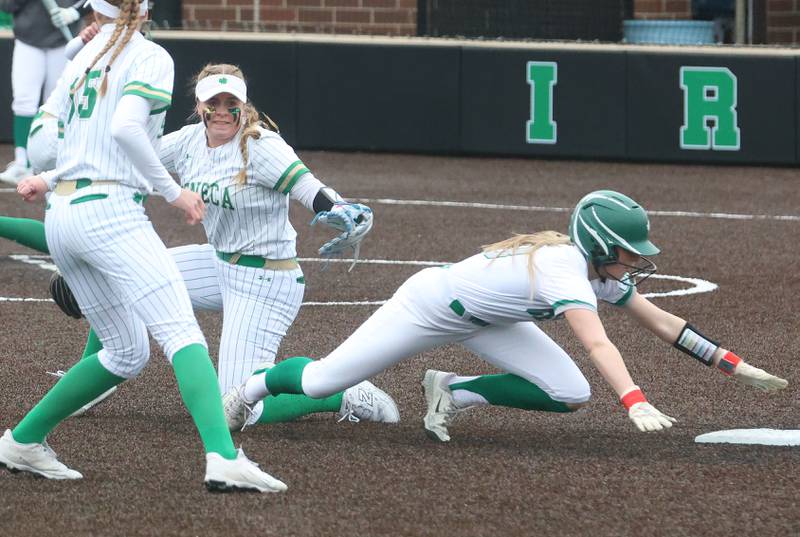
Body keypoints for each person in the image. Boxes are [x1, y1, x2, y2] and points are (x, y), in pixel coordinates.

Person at [0, 61, 399, 427]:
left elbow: (308, 187)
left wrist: (339, 209)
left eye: (231, 102)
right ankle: (98, 375)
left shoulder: (260, 145)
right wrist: (48, 180)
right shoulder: (190, 140)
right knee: (129, 278)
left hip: (265, 280)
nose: (222, 110)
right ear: (199, 104)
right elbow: (117, 160)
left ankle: (339, 392)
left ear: (243, 105)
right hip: (216, 263)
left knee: (240, 409)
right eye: (214, 102)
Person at [221, 190, 789, 438]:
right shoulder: (570, 267)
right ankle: (249, 389)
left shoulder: (598, 272)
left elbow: (664, 324)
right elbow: (597, 345)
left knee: (570, 393)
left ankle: (452, 391)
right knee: (323, 379)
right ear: (600, 244)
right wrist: (635, 401)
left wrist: (735, 367)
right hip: (430, 306)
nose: (638, 261)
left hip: (486, 319)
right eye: (630, 251)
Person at [0, 0, 286, 493]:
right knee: (182, 333)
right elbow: (126, 128)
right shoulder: (150, 55)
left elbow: (44, 145)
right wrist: (173, 193)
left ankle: (22, 440)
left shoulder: (79, 60)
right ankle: (222, 457)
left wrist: (56, 171)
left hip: (63, 213)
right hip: (111, 211)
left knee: (126, 351)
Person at [0, 0, 87, 183]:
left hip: (64, 40)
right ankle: (22, 162)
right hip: (28, 39)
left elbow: (98, 3)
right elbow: (6, 5)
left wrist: (75, 11)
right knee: (24, 101)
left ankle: (54, 162)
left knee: (57, 104)